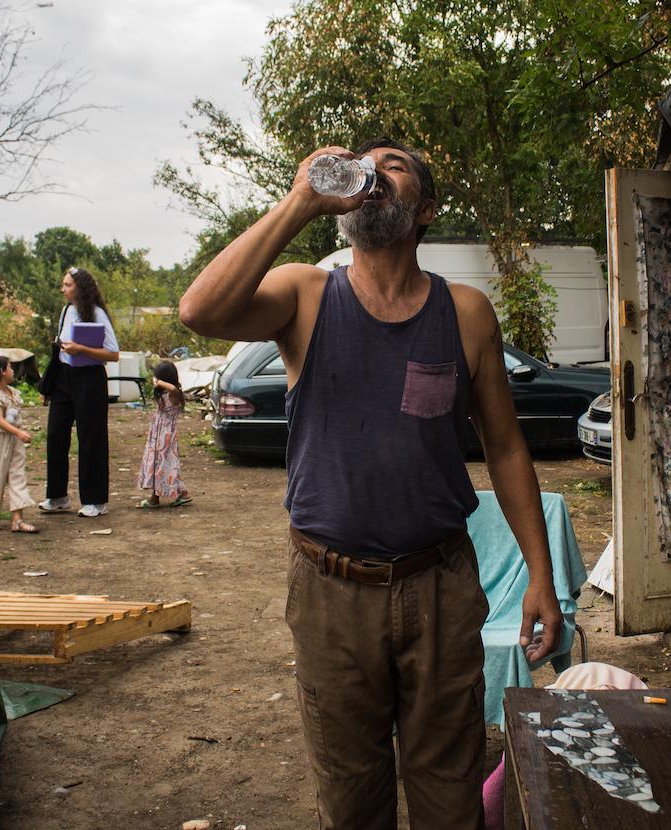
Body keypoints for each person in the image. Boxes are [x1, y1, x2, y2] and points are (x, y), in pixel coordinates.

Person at [179, 139, 564, 829]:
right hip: (331, 590)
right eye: (363, 164)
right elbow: (200, 311)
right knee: (352, 797)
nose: (372, 173)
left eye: (393, 166)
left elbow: (505, 448)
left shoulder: (466, 313)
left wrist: (540, 573)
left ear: (426, 210)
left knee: (450, 794)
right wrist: (300, 199)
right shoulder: (305, 294)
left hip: (441, 587)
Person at [38, 267, 119, 518]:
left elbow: (113, 354)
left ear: (81, 287)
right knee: (55, 434)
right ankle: (57, 496)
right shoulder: (65, 311)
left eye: (67, 285)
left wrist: (81, 349)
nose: (63, 289)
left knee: (90, 438)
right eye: (63, 285)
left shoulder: (96, 313)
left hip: (90, 378)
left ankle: (95, 501)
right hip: (64, 377)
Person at [0, 355, 38, 533]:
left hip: (14, 440)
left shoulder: (11, 392)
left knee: (17, 475)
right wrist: (19, 432)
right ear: (2, 372)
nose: (13, 371)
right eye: (10, 367)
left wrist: (17, 434)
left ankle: (17, 519)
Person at [135, 360, 191, 508]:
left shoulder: (174, 394)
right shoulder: (164, 394)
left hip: (165, 436)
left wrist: (158, 382)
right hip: (157, 434)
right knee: (157, 463)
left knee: (162, 463)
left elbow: (172, 387)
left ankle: (167, 495)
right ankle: (163, 495)